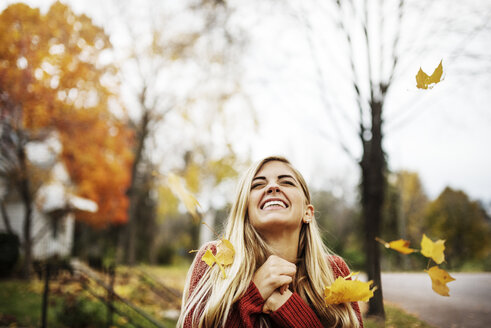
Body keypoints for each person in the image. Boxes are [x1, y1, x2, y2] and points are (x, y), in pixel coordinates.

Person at [177, 156, 363, 327]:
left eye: (287, 182)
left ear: (308, 212)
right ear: (245, 209)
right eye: (257, 185)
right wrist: (252, 295)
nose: (273, 187)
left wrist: (292, 311)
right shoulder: (215, 261)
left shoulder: (334, 271)